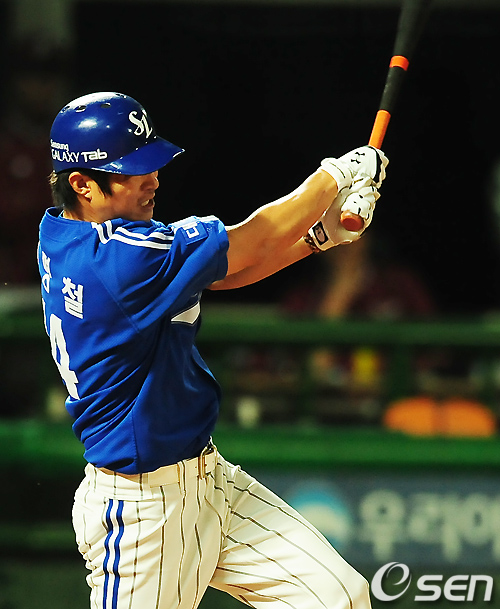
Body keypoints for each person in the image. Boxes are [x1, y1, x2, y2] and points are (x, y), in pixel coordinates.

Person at [38, 91, 388, 609]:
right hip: (142, 512)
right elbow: (251, 239)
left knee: (339, 597)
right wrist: (333, 177)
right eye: (132, 171)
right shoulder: (115, 263)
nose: (152, 179)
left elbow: (223, 274)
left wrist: (318, 237)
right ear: (82, 185)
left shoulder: (72, 233)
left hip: (209, 480)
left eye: (151, 164)